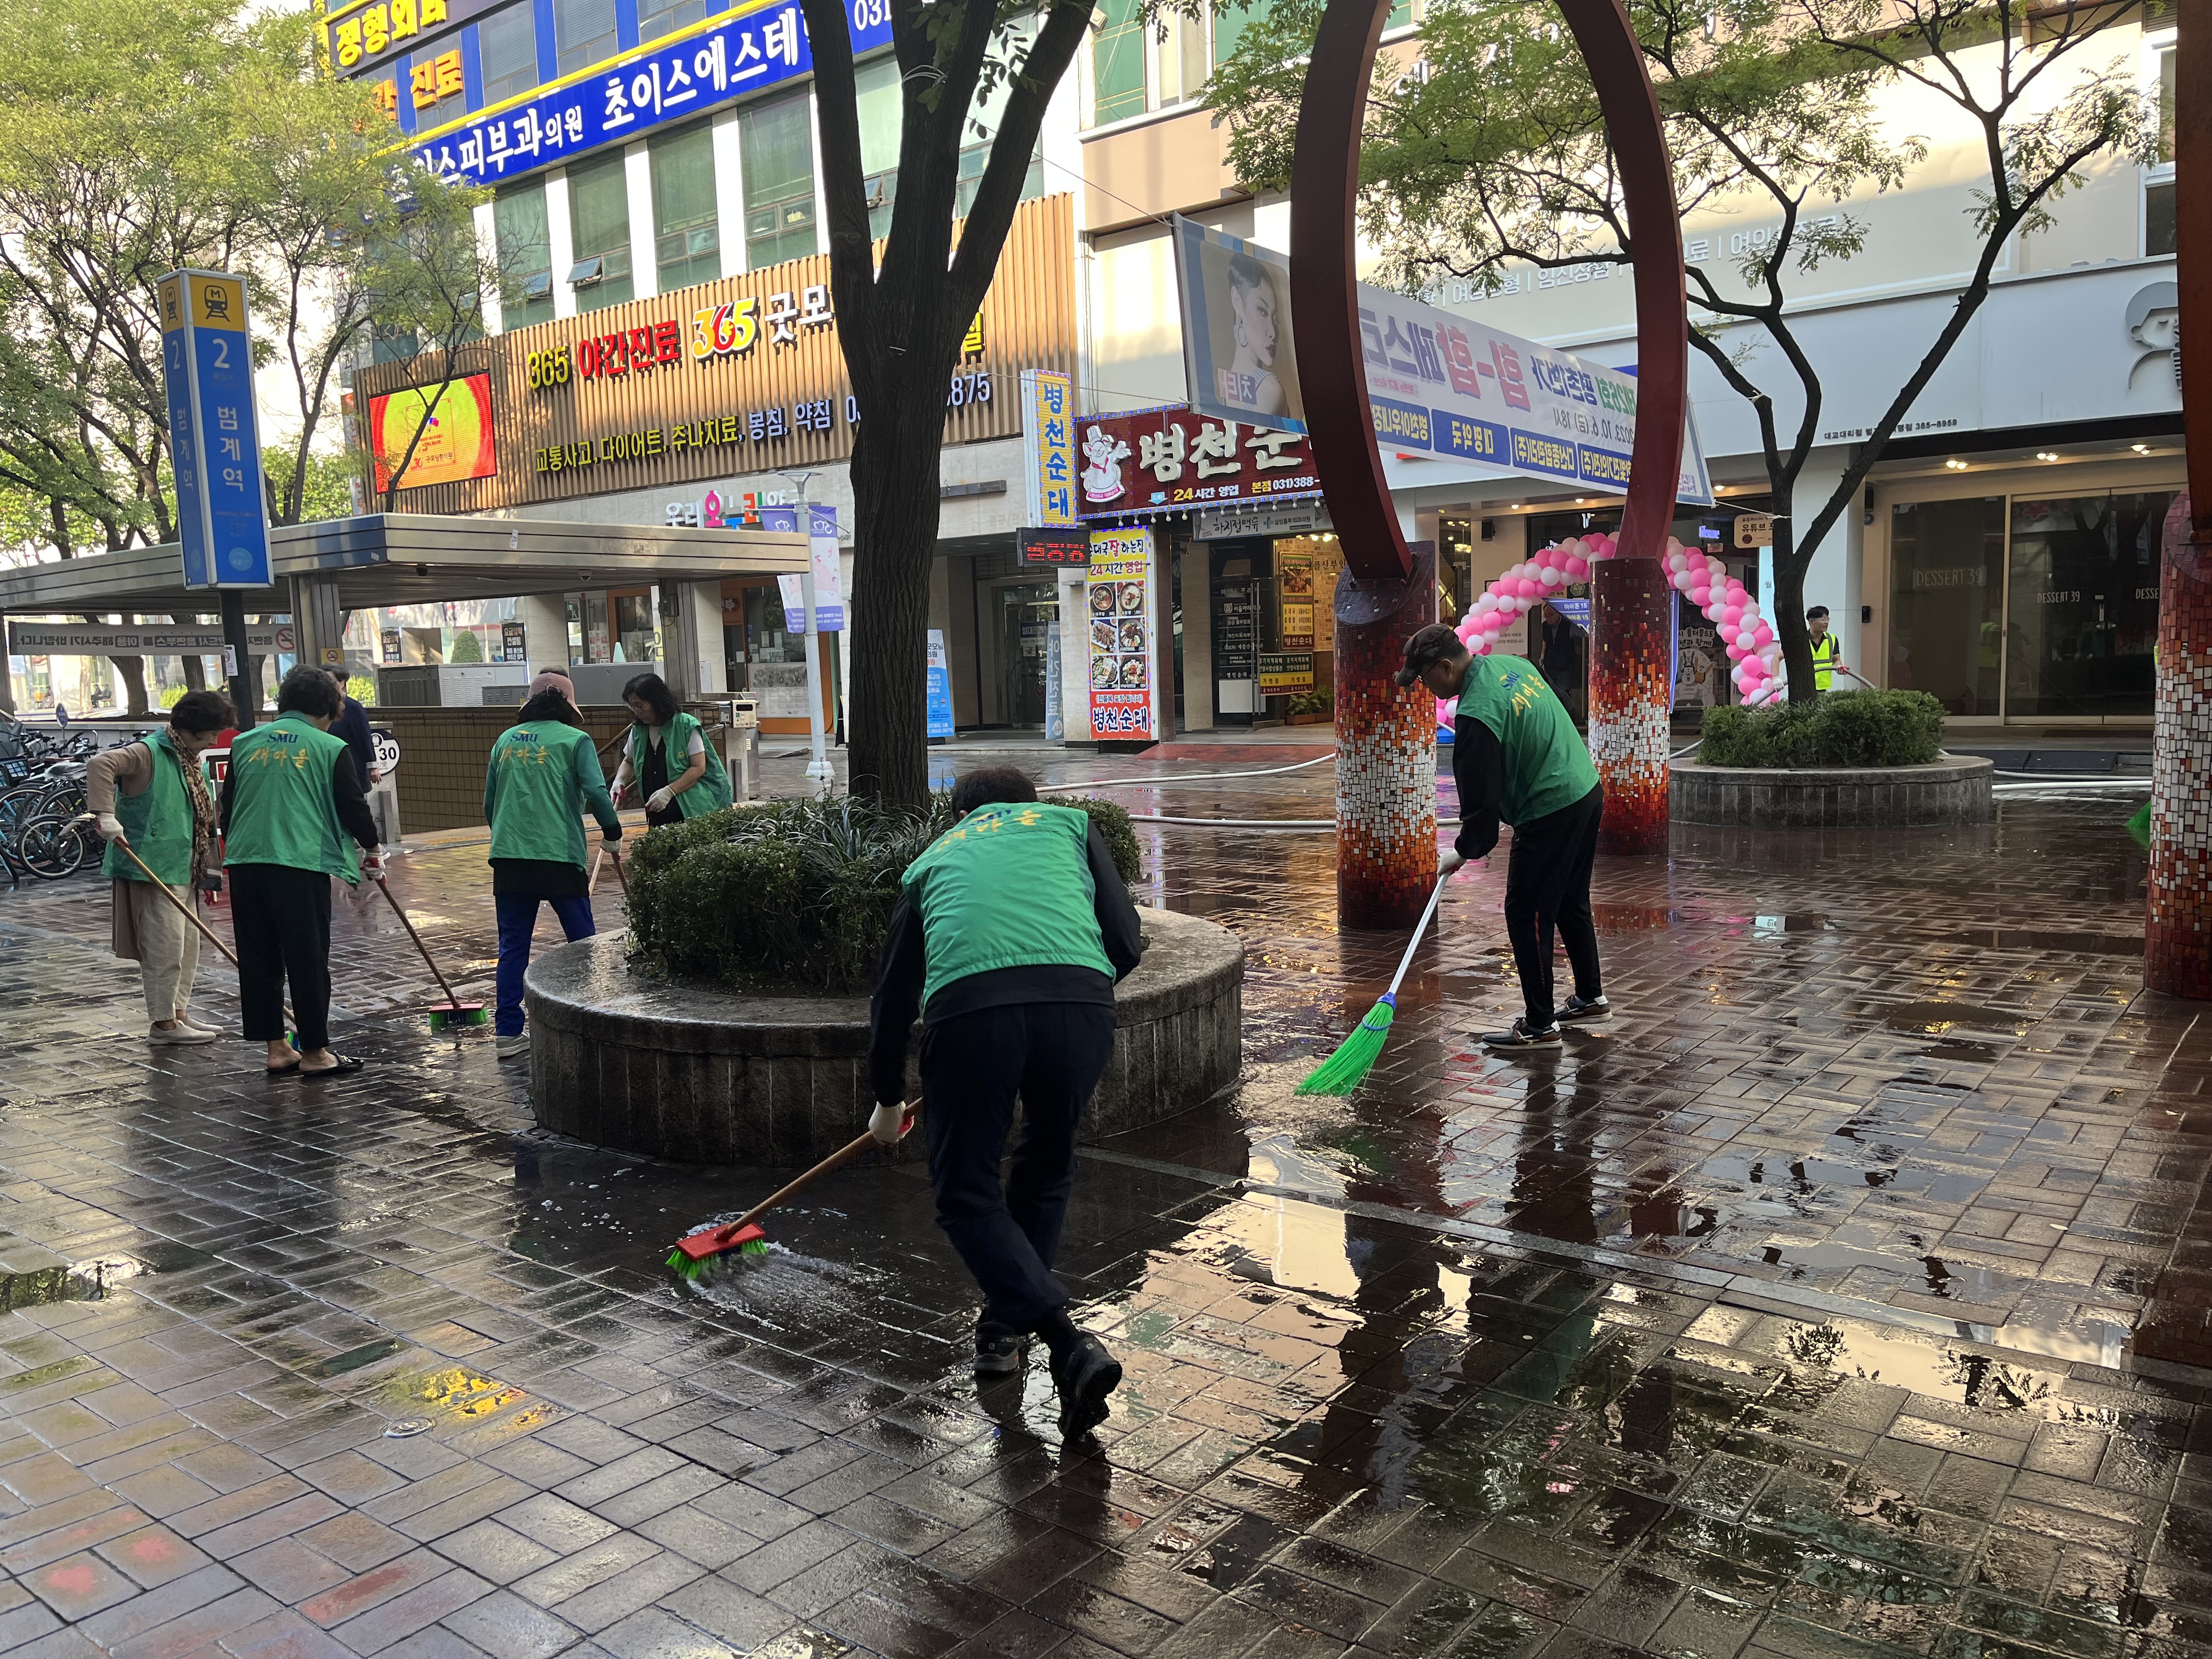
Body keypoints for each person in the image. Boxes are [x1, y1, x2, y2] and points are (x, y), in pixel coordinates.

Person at [867, 767, 1144, 1432]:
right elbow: (1126, 942)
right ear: (1031, 806)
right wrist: (1072, 989)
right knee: (1046, 1164)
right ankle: (1001, 1331)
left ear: (957, 816)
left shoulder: (934, 860)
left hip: (970, 1018)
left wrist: (886, 1096)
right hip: (1079, 1007)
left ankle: (1060, 1338)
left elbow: (894, 996)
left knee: (966, 1191)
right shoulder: (1073, 828)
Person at [1398, 623, 1606, 1051]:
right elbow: (1564, 706)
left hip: (1550, 807)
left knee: (1525, 912)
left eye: (1423, 677)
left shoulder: (1476, 713)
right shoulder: (1514, 665)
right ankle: (1589, 996)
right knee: (1569, 899)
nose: (1422, 686)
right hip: (1585, 789)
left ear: (1444, 667)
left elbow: (1482, 806)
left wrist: (1463, 851)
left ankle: (1540, 1024)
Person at [221, 665, 383, 1079]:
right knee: (307, 958)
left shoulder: (244, 744)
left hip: (245, 861)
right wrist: (372, 849)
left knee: (258, 958)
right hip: (299, 862)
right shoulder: (328, 747)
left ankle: (277, 1048)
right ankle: (314, 1052)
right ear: (329, 707)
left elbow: (229, 806)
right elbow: (354, 805)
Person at [484, 672, 623, 1061]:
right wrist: (612, 831)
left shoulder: (505, 742)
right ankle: (588, 1023)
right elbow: (596, 792)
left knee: (513, 947)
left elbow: (489, 803)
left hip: (510, 858)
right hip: (560, 856)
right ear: (566, 706)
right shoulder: (575, 740)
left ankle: (508, 1033)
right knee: (583, 945)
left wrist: (511, 836)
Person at [88, 690, 234, 1045]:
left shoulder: (188, 757)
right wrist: (105, 815)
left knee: (188, 944)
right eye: (212, 732)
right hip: (152, 865)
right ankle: (163, 1024)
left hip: (184, 864)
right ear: (193, 729)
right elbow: (101, 765)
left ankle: (179, 1013)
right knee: (164, 946)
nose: (216, 740)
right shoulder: (148, 752)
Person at [610, 672, 731, 829]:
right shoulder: (639, 730)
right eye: (633, 706)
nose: (637, 711)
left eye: (640, 705)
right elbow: (629, 761)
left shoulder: (685, 725)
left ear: (657, 701)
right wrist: (619, 781)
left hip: (690, 810)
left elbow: (698, 767)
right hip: (656, 810)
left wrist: (669, 792)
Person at [1220, 252, 1288, 419]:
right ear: (1237, 301)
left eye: (1275, 319)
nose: (1273, 333)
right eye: (1262, 311)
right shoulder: (1269, 388)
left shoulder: (1227, 384)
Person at [326, 668, 379, 788]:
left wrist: (372, 766)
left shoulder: (353, 707)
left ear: (342, 683)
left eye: (330, 680)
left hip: (352, 764)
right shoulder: (321, 706)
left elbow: (364, 737)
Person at [1806, 606, 1846, 692]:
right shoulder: (1801, 639)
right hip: (1803, 688)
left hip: (1822, 689)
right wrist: (1776, 678)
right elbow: (1777, 657)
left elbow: (1836, 660)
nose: (1826, 622)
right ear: (1811, 622)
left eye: (1828, 619)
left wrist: (1839, 667)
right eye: (1823, 619)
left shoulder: (1832, 639)